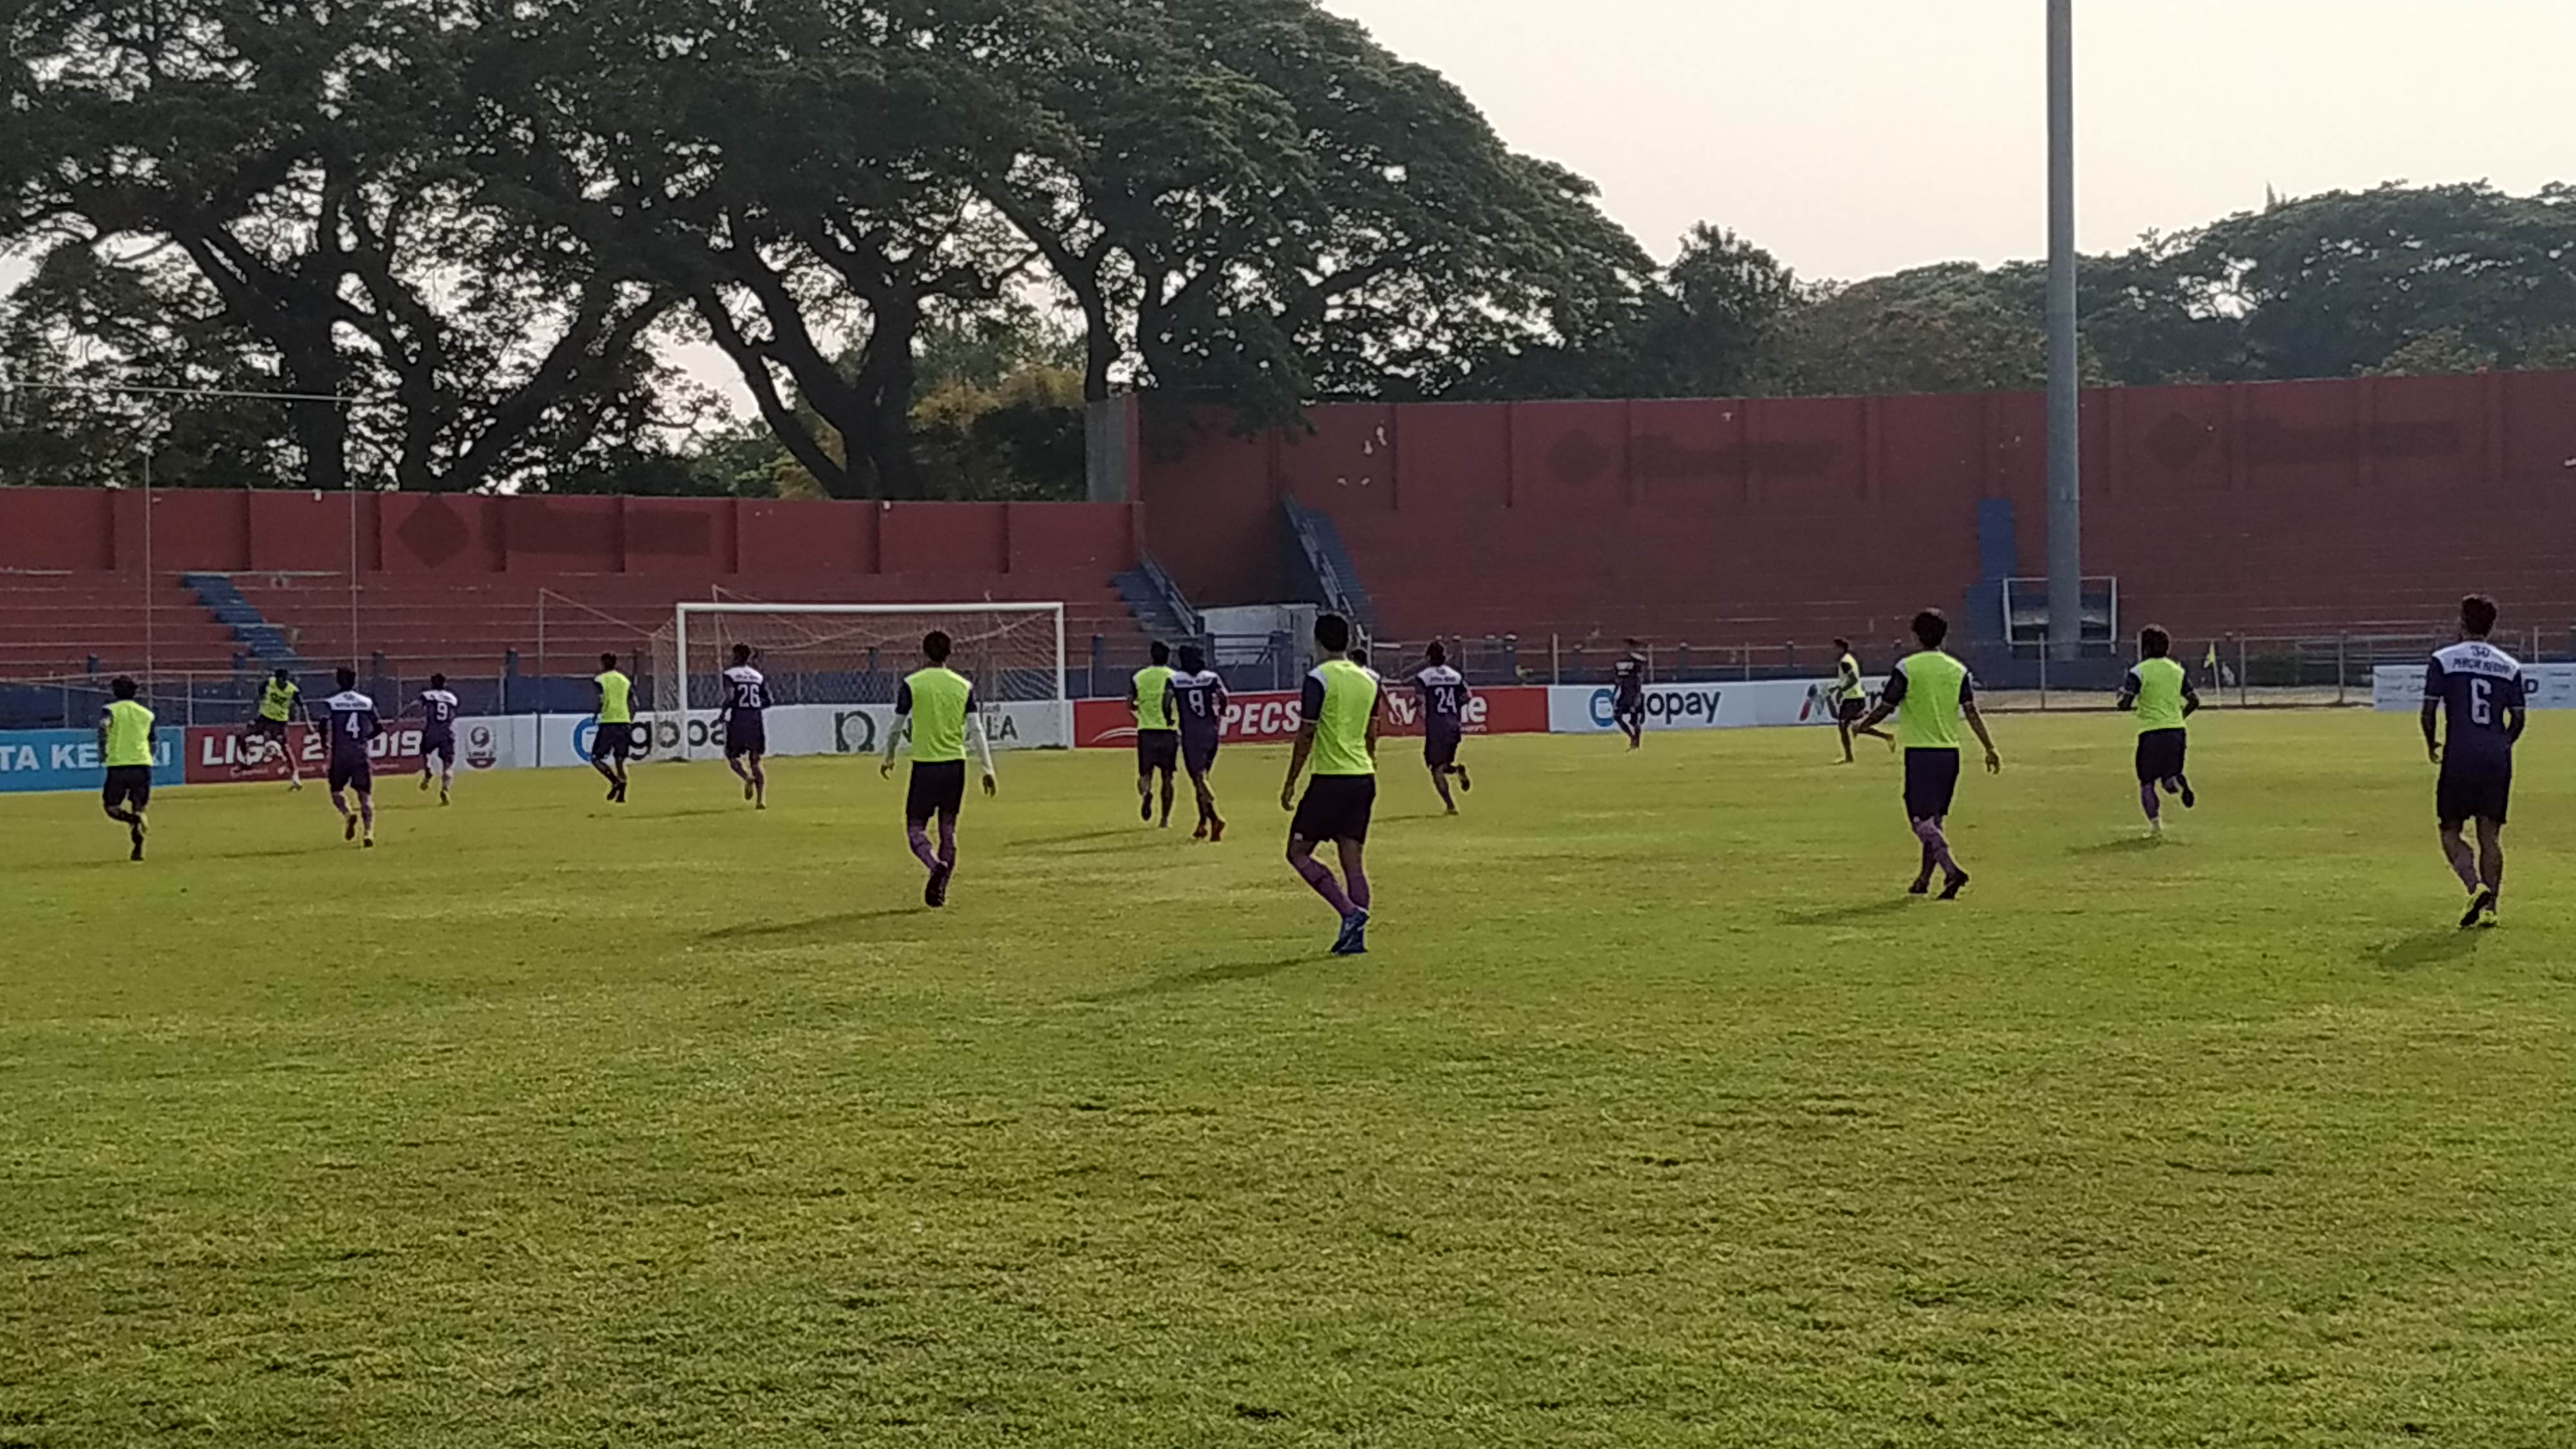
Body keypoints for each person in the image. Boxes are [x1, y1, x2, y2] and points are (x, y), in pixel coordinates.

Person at [1852, 610, 2002, 899]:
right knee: (1934, 821)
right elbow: (1971, 711)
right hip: (1950, 754)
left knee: (1920, 821)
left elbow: (1886, 705)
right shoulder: (1957, 670)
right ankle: (1923, 880)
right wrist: (1989, 747)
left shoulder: (1908, 668)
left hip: (1921, 753)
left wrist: (1863, 725)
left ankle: (1952, 870)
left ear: (1916, 635)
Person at [1281, 613, 1383, 955]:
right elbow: (1372, 732)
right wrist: (1369, 762)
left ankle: (1350, 914)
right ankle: (1356, 938)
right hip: (1362, 777)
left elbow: (1306, 733)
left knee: (1297, 852)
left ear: (1318, 641)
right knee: (1353, 862)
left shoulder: (1318, 678)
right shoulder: (1370, 679)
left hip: (1330, 779)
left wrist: (1291, 781)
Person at [2423, 594, 2525, 928]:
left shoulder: (2444, 659)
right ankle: (2492, 910)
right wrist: (2502, 746)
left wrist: (2431, 743)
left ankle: (2474, 887)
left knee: (2450, 830)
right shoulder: (2510, 666)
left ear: (2462, 622)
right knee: (2490, 836)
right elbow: (2519, 719)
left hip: (2460, 756)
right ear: (2492, 627)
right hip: (2496, 758)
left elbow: (2428, 712)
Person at [882, 630, 997, 907]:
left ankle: (935, 866)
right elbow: (976, 729)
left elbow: (897, 725)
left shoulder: (912, 684)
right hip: (954, 767)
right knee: (949, 830)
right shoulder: (963, 686)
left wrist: (889, 756)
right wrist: (987, 768)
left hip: (925, 767)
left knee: (915, 829)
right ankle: (941, 889)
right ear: (950, 653)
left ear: (924, 653)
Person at [2116, 626, 2201, 836]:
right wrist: (2178, 717)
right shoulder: (2177, 670)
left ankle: (2155, 827)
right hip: (2176, 731)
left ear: (2144, 648)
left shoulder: (2138, 672)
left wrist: (2120, 701)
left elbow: (2126, 703)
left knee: (2147, 783)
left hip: (2151, 732)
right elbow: (2194, 700)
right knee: (2168, 780)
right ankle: (2178, 783)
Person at [1168, 643, 1229, 841]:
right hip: (1211, 732)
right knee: (1202, 778)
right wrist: (1222, 712)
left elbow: (1166, 701)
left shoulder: (1176, 680)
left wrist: (1168, 717)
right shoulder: (1211, 677)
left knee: (1199, 778)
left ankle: (1216, 817)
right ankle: (1203, 824)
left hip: (1191, 734)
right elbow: (1224, 696)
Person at [321, 667, 381, 848]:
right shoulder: (366, 702)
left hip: (340, 754)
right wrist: (365, 739)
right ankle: (369, 833)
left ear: (339, 681)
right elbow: (379, 727)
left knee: (336, 791)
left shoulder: (332, 702)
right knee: (365, 796)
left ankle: (348, 815)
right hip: (360, 753)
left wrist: (325, 745)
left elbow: (323, 725)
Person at [1413, 642, 1473, 814]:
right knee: (1444, 765)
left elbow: (1420, 700)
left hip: (1437, 728)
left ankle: (1450, 806)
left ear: (1428, 657)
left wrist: (1423, 715)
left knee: (1436, 769)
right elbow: (1468, 696)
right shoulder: (1455, 675)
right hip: (1454, 725)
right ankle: (1457, 770)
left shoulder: (1424, 677)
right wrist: (1455, 707)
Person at [99, 676, 155, 861]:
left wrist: (102, 751)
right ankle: (138, 846)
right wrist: (148, 757)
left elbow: (103, 728)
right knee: (139, 807)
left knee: (111, 807)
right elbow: (153, 740)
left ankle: (132, 820)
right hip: (142, 763)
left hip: (118, 764)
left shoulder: (110, 710)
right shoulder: (147, 714)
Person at [1130, 641, 1179, 828]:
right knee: (1168, 777)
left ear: (1151, 655)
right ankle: (1165, 820)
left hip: (1146, 731)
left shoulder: (1139, 677)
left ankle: (1146, 793)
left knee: (1145, 774)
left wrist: (1141, 708)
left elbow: (1130, 703)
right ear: (1169, 657)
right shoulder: (1174, 677)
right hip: (1169, 732)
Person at [235, 667, 304, 788]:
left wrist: (308, 722)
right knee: (242, 736)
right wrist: (257, 702)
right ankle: (246, 762)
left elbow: (303, 706)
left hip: (279, 722)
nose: (279, 683)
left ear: (286, 680)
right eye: (278, 680)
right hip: (264, 717)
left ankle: (295, 775)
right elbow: (260, 691)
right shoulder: (270, 682)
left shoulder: (292, 690)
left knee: (286, 747)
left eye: (281, 681)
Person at [721, 643, 770, 809]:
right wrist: (754, 708)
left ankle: (747, 777)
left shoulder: (729, 674)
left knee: (733, 757)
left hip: (739, 719)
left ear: (736, 656)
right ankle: (761, 800)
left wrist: (723, 713)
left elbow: (730, 697)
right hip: (756, 719)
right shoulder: (757, 676)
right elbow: (769, 700)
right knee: (756, 761)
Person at [1830, 638, 1893, 762]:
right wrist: (1839, 688)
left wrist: (1840, 691)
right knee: (1856, 727)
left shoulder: (1845, 662)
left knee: (1843, 726)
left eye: (1835, 648)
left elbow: (1853, 680)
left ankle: (1849, 758)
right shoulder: (1849, 659)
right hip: (1853, 697)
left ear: (1840, 648)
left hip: (1852, 698)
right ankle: (1887, 736)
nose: (1833, 651)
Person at [592, 652, 635, 804]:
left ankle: (615, 781)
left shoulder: (600, 680)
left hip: (609, 722)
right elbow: (633, 702)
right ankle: (622, 796)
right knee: (619, 761)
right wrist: (630, 719)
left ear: (603, 663)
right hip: (624, 722)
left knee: (596, 758)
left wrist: (596, 713)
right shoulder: (625, 680)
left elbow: (601, 699)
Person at [417, 672, 460, 804]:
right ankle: (445, 789)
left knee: (424, 751)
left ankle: (428, 769)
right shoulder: (452, 698)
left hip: (432, 731)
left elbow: (416, 705)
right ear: (444, 684)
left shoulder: (427, 695)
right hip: (447, 732)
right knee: (448, 765)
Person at [1612, 640, 1647, 749]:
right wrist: (1614, 693)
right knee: (1617, 716)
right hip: (1623, 694)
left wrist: (1638, 696)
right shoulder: (1619, 663)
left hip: (1633, 694)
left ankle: (1637, 742)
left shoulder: (1636, 661)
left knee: (1634, 720)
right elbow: (1618, 679)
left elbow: (1639, 679)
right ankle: (1632, 737)